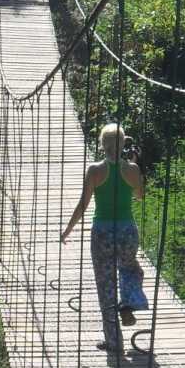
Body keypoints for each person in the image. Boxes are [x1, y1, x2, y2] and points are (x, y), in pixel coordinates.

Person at [60, 123, 148, 354]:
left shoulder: (94, 170)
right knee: (131, 270)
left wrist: (68, 230)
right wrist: (135, 167)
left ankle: (114, 342)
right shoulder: (133, 170)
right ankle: (128, 303)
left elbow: (83, 204)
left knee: (106, 284)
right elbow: (140, 197)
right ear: (123, 144)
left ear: (102, 145)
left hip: (103, 233)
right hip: (128, 231)